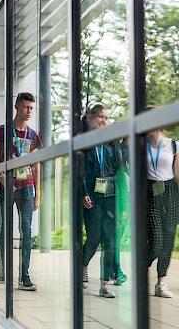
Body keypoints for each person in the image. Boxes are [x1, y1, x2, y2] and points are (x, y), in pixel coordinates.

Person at [0, 92, 42, 290]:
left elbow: (37, 165)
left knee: (27, 231)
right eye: (25, 107)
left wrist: (39, 193)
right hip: (5, 187)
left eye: (31, 108)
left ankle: (24, 275)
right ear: (16, 107)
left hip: (26, 187)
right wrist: (0, 177)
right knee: (3, 227)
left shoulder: (33, 136)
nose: (28, 111)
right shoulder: (1, 131)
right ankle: (4, 268)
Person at [81, 104, 125, 298]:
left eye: (107, 118)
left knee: (110, 240)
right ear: (91, 118)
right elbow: (80, 172)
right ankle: (82, 266)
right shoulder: (85, 142)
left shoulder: (112, 143)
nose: (104, 121)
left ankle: (104, 283)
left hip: (111, 197)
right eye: (101, 117)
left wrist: (124, 199)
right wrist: (83, 193)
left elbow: (120, 171)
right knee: (94, 238)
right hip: (92, 197)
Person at [145, 119, 179, 298]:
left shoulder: (174, 145)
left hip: (170, 191)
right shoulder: (140, 145)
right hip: (150, 192)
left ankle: (161, 283)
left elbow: (178, 174)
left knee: (168, 239)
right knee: (156, 241)